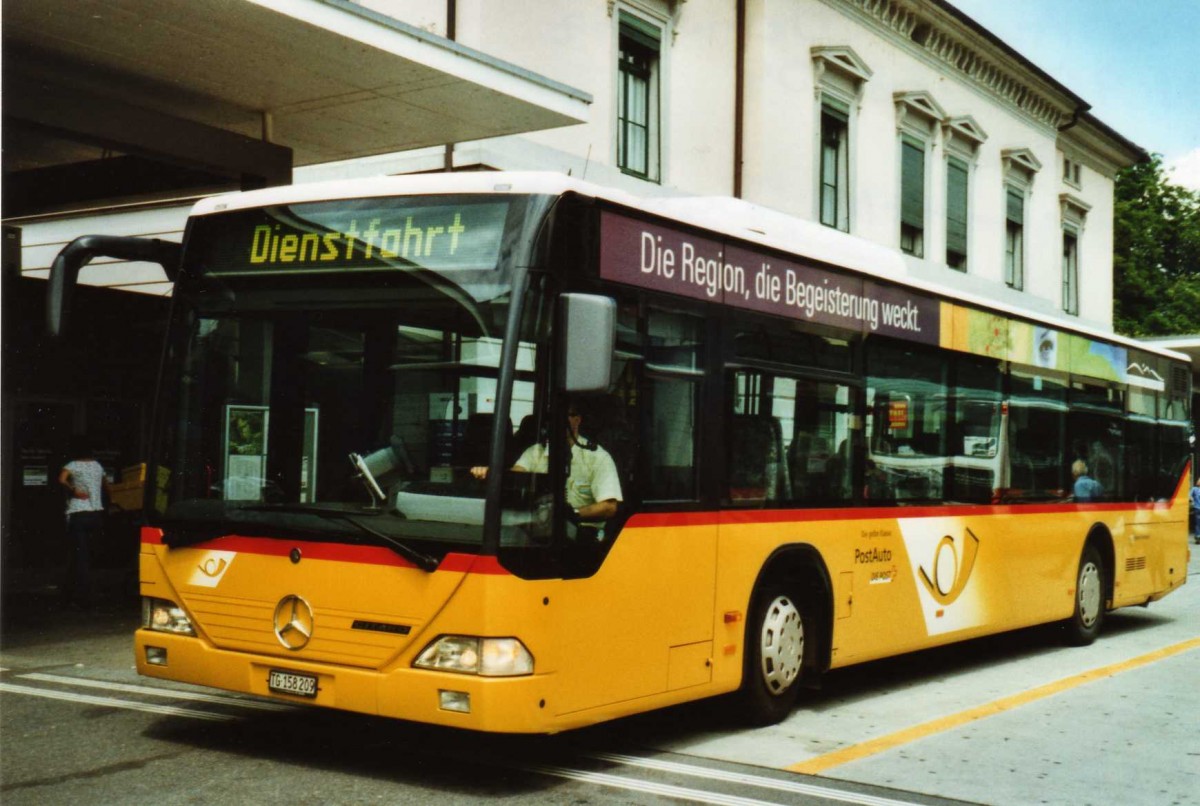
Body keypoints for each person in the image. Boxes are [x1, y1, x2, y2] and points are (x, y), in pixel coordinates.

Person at [472, 404, 623, 538]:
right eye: (552, 418)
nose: (557, 422)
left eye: (564, 416)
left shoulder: (597, 456)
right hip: (539, 530)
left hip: (582, 533)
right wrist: (491, 473)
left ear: (577, 419)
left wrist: (570, 514)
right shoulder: (536, 452)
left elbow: (609, 507)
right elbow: (516, 475)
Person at [58, 436, 110, 607]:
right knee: (88, 555)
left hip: (78, 513)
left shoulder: (72, 465)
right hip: (95, 514)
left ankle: (81, 595)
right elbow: (106, 486)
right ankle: (82, 592)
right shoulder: (97, 466)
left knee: (79, 556)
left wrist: (74, 490)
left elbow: (61, 479)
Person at [1189, 477, 1200, 544]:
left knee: (1197, 523)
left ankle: (1198, 537)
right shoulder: (1194, 489)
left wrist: (1192, 500)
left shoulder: (1194, 489)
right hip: (1197, 508)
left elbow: (1189, 497)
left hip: (1197, 508)